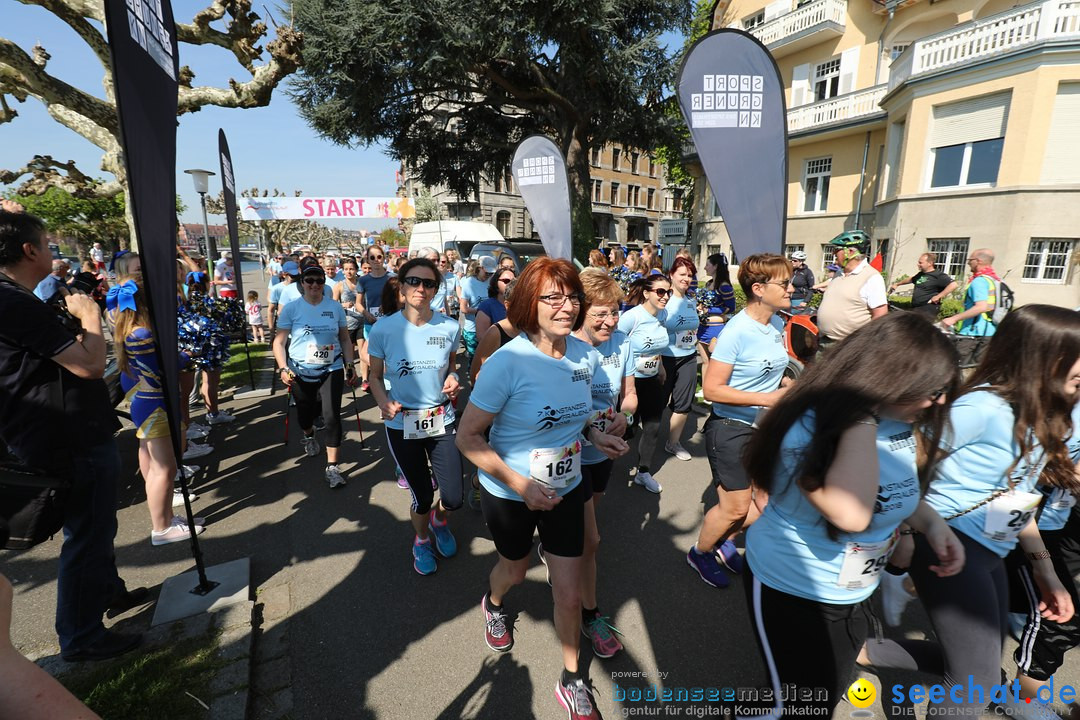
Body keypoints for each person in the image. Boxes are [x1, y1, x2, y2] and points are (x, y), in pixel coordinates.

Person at [742, 312, 964, 716]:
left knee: (820, 692)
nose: (941, 401)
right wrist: (858, 411)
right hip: (791, 587)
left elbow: (899, 493)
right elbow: (854, 516)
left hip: (854, 591)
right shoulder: (814, 425)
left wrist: (931, 525)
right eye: (932, 390)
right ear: (889, 379)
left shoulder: (896, 419)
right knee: (798, 704)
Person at [862, 305, 1080, 717]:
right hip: (946, 543)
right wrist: (906, 537)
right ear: (1045, 360)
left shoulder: (1044, 415)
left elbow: (1016, 497)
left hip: (992, 550)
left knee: (973, 670)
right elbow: (898, 469)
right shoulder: (980, 409)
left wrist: (1045, 570)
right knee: (975, 688)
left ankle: (856, 649)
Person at [456, 258, 627, 720]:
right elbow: (467, 437)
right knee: (514, 572)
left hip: (567, 487)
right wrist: (520, 484)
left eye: (572, 296)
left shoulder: (585, 355)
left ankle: (572, 679)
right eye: (553, 297)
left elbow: (577, 417)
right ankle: (493, 604)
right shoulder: (506, 362)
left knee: (569, 593)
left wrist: (596, 433)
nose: (566, 306)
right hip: (511, 493)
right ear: (531, 302)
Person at [0, 203, 143, 661]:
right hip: (69, 435)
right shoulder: (11, 301)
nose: (52, 252)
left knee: (98, 523)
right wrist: (88, 317)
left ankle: (108, 592)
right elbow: (88, 363)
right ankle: (81, 635)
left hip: (62, 428)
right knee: (88, 531)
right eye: (45, 244)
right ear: (28, 250)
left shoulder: (17, 300)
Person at [686, 254, 793, 589]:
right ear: (758, 289)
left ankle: (722, 542)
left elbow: (768, 371)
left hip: (764, 427)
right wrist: (766, 399)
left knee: (762, 503)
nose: (791, 289)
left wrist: (784, 386)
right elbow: (712, 389)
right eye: (784, 284)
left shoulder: (776, 322)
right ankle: (700, 552)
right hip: (731, 427)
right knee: (735, 508)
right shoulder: (737, 331)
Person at [368, 258, 464, 575]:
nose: (421, 288)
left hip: (441, 419)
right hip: (402, 422)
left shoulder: (449, 326)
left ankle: (440, 519)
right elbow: (376, 376)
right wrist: (383, 402)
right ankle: (421, 540)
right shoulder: (384, 328)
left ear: (436, 289)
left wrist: (452, 378)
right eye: (414, 281)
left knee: (452, 497)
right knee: (421, 496)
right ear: (402, 285)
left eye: (429, 283)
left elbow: (452, 365)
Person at [109, 253, 206, 545]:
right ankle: (161, 528)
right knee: (165, 467)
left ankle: (164, 517)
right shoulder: (141, 334)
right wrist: (186, 355)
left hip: (150, 403)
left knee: (155, 463)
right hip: (155, 406)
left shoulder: (132, 328)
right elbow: (165, 364)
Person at [571, 268, 636, 659]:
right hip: (568, 453)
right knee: (590, 540)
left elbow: (629, 395)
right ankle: (589, 613)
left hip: (605, 450)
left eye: (615, 312)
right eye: (601, 313)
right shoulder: (565, 346)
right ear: (581, 312)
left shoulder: (623, 342)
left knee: (587, 521)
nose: (610, 321)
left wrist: (625, 415)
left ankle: (561, 551)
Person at [273, 260, 358, 488]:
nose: (314, 284)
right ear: (302, 283)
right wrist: (283, 367)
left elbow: (344, 339)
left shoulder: (334, 307)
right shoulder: (292, 308)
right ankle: (309, 435)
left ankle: (332, 467)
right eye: (309, 280)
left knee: (331, 417)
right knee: (305, 415)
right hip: (300, 370)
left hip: (332, 367)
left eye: (319, 280)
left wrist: (350, 363)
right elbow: (279, 342)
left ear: (324, 283)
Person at [616, 273, 672, 494]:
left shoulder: (663, 314)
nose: (665, 296)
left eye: (668, 291)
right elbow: (616, 344)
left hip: (651, 381)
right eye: (660, 291)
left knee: (653, 427)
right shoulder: (632, 317)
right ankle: (601, 462)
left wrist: (660, 366)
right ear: (647, 293)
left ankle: (643, 472)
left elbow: (656, 346)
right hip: (629, 383)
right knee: (626, 429)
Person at [661, 256, 700, 462]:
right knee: (657, 404)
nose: (687, 278)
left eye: (690, 275)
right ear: (672, 275)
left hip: (688, 357)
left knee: (683, 404)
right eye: (682, 274)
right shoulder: (663, 300)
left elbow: (694, 329)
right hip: (664, 359)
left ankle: (673, 443)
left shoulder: (691, 300)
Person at [816, 246, 888, 344]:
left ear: (850, 252)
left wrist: (861, 342)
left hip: (848, 346)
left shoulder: (872, 277)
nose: (833, 254)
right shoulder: (839, 273)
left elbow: (880, 315)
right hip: (825, 341)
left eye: (836, 250)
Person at [356, 246, 396, 391]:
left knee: (391, 356)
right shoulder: (363, 280)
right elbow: (358, 304)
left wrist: (389, 308)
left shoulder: (393, 278)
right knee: (374, 358)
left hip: (391, 323)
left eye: (379, 257)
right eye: (372, 258)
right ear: (367, 260)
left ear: (384, 258)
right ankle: (382, 397)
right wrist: (367, 314)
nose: (376, 260)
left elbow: (401, 300)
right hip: (371, 324)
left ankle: (393, 390)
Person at [943, 247, 1000, 337]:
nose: (968, 263)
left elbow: (981, 307)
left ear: (978, 261)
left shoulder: (979, 281)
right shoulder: (995, 281)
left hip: (974, 333)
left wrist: (953, 319)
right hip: (991, 332)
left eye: (970, 260)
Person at [889, 253, 958, 319]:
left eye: (920, 263)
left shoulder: (938, 275)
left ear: (930, 263)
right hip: (916, 308)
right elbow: (911, 279)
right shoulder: (921, 274)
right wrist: (897, 284)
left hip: (928, 309)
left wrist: (938, 296)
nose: (918, 264)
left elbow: (953, 284)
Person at [460, 256, 495, 368]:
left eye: (491, 274)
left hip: (489, 327)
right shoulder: (468, 283)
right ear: (479, 268)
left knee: (489, 359)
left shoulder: (491, 282)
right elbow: (463, 308)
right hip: (472, 330)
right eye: (487, 273)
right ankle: (473, 384)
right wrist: (482, 311)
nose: (489, 276)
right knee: (475, 360)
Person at [333, 257, 365, 354]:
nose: (349, 272)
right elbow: (333, 305)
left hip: (362, 321)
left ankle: (364, 370)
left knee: (362, 351)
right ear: (343, 271)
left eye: (351, 269)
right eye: (346, 269)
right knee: (349, 353)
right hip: (348, 324)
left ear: (356, 270)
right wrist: (343, 304)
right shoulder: (339, 285)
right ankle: (350, 369)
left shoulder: (362, 283)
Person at [475, 267, 515, 339]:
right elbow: (482, 339)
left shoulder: (521, 305)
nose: (510, 284)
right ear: (496, 283)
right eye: (506, 281)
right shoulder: (486, 306)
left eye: (514, 281)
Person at [268, 261, 299, 331]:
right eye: (292, 276)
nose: (295, 278)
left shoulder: (302, 287)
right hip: (283, 324)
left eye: (296, 275)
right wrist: (271, 328)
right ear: (284, 275)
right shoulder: (276, 289)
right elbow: (271, 310)